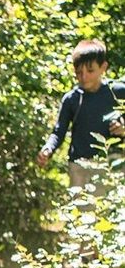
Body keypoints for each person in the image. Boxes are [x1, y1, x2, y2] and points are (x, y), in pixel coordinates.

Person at [37, 39, 125, 190]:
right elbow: (58, 132)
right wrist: (48, 149)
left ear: (103, 67)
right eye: (79, 72)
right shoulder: (72, 99)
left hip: (112, 163)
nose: (84, 77)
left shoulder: (118, 92)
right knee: (81, 211)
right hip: (79, 166)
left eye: (90, 71)